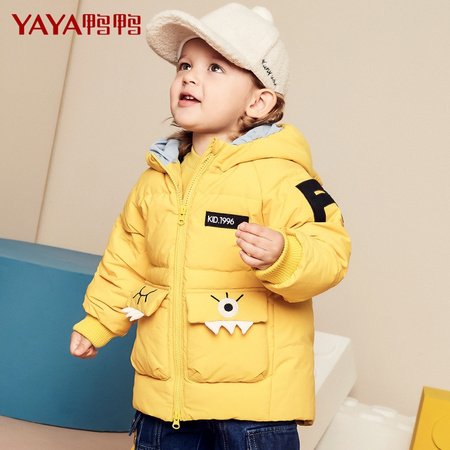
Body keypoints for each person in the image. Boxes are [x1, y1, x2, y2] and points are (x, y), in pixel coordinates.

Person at [70, 3, 351, 449]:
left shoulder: (282, 176)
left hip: (253, 406)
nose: (190, 77)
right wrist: (98, 322)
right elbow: (126, 263)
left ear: (258, 102)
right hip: (166, 401)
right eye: (185, 65)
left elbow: (331, 250)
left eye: (215, 68)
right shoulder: (156, 182)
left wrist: (285, 255)